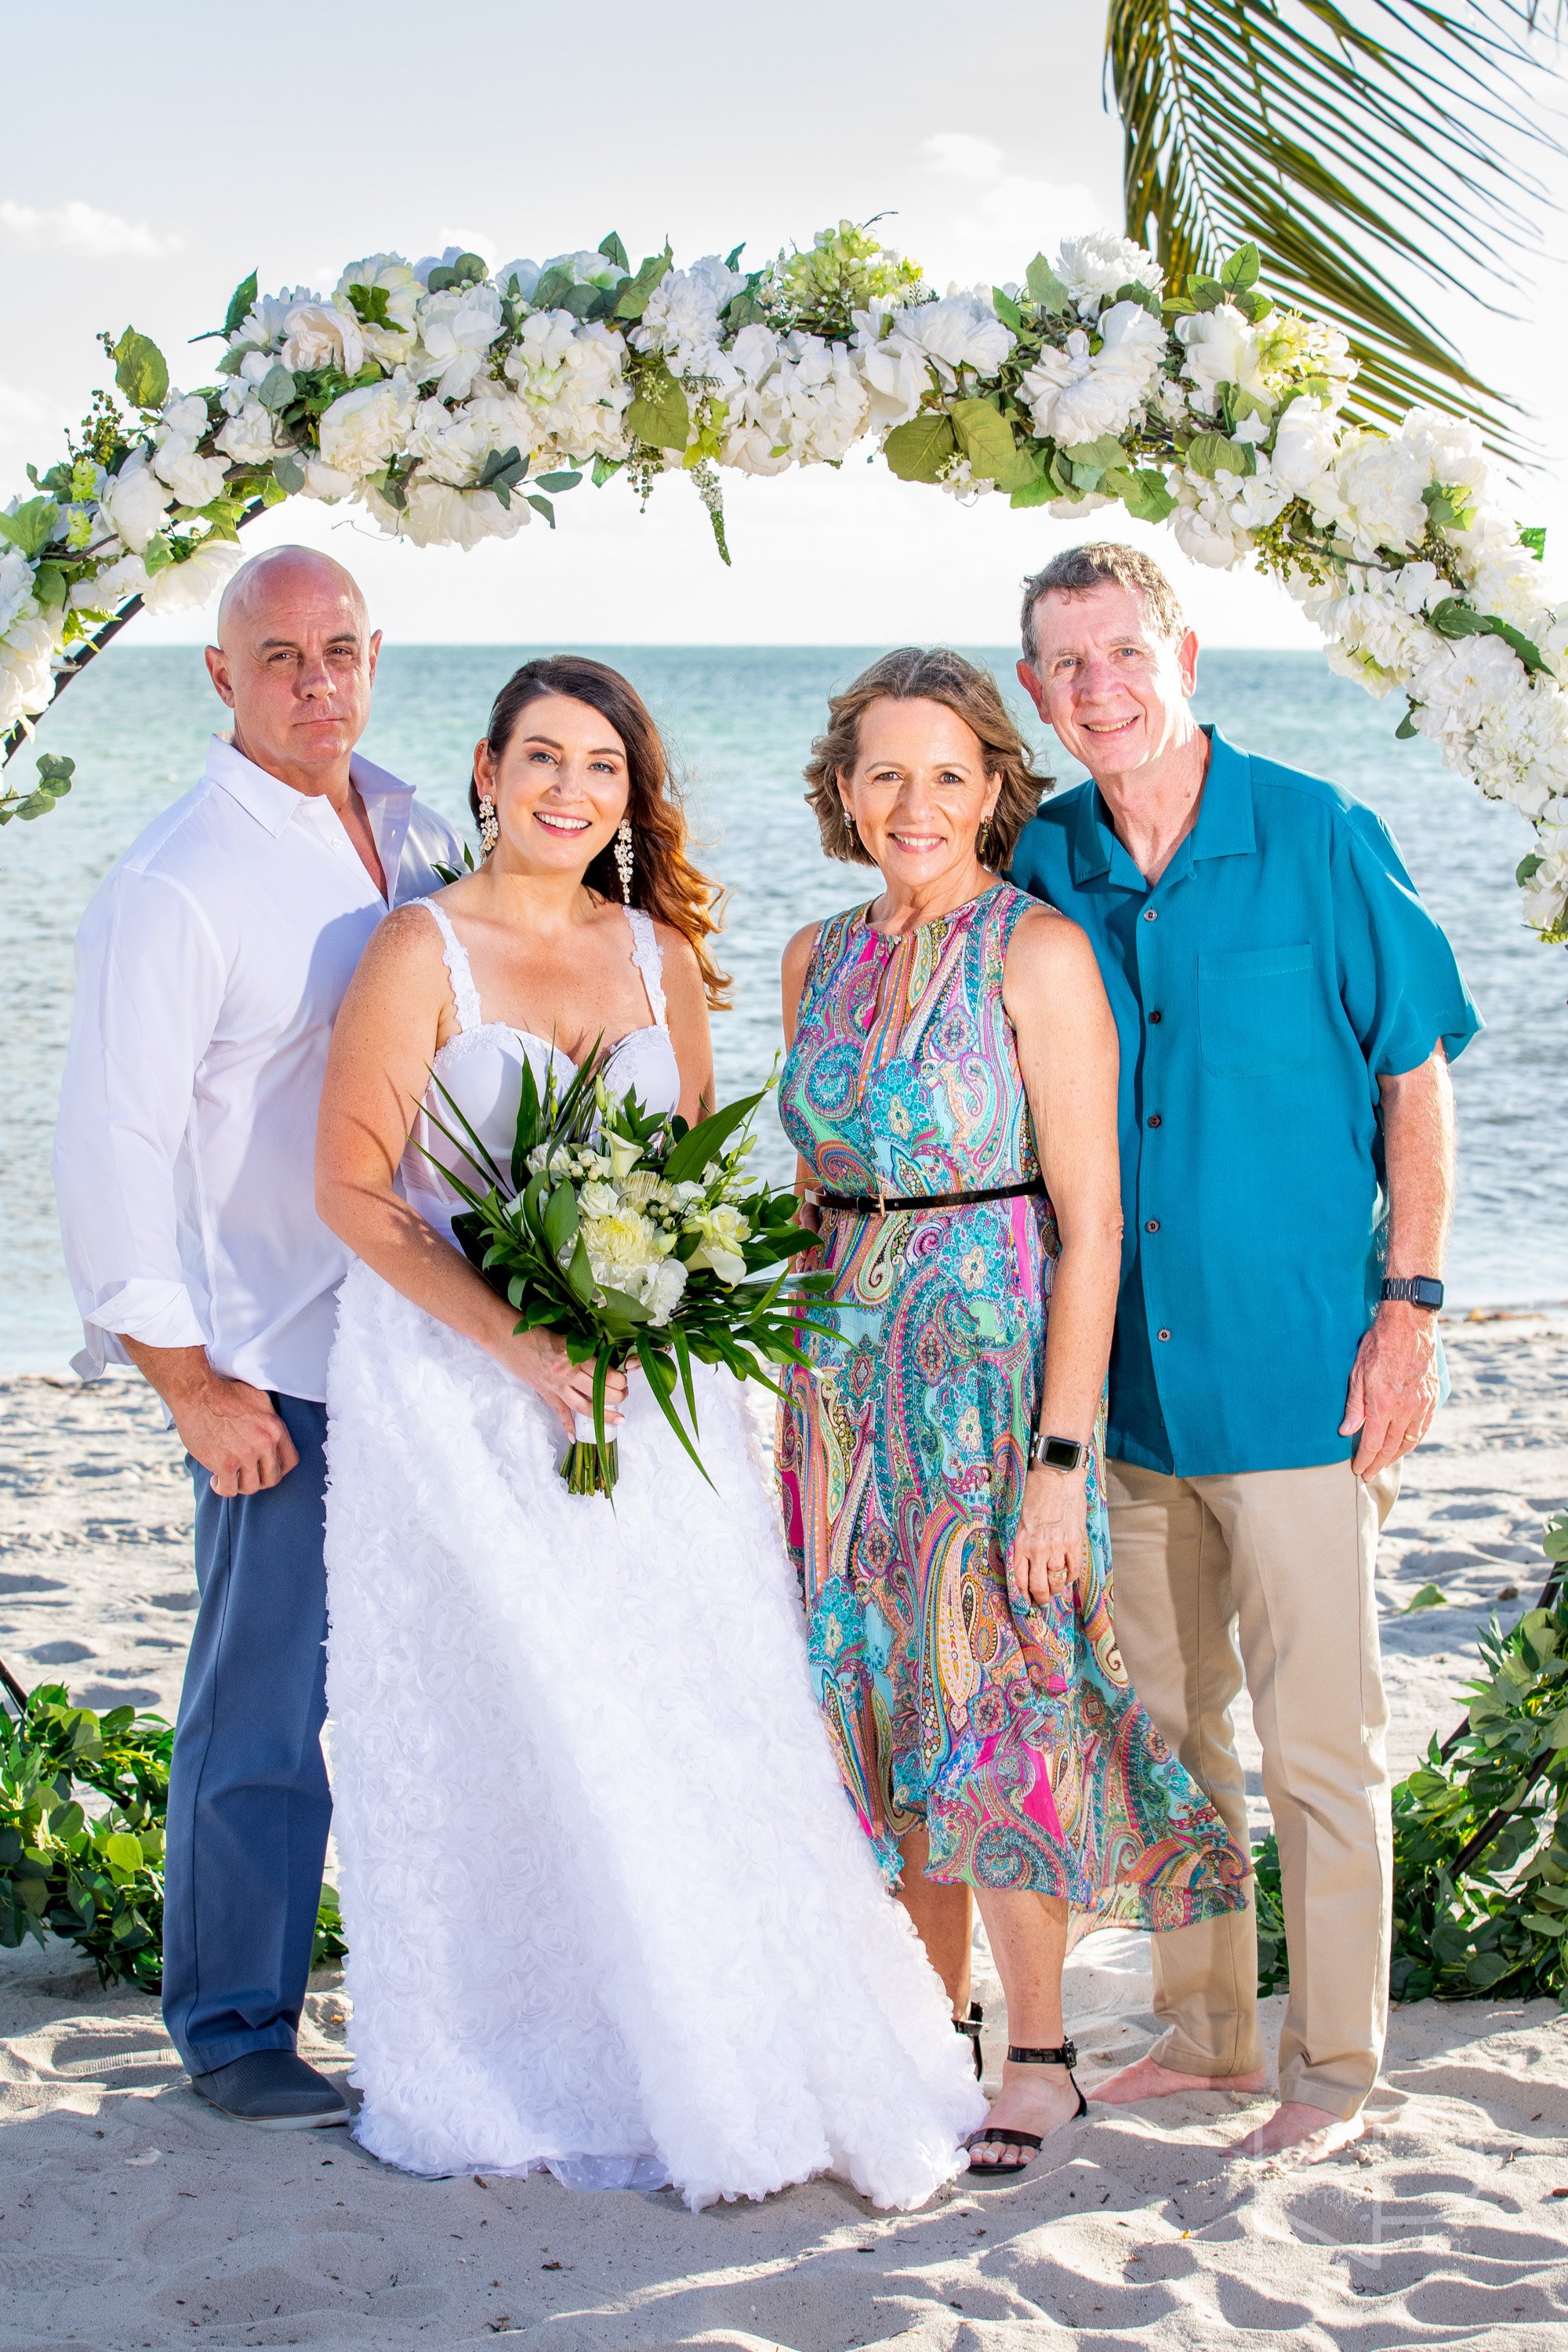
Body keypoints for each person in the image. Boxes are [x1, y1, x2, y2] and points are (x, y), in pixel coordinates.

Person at [313, 653, 985, 2209]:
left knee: (690, 1708)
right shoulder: (418, 950)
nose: (568, 789)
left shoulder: (655, 948)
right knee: (520, 1721)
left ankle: (721, 2039)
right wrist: (522, 1339)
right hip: (457, 1393)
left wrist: (654, 1319)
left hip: (644, 1388)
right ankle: (520, 2053)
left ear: (631, 795)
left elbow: (682, 1183)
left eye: (602, 768)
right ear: (484, 772)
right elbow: (350, 1186)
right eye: (540, 757)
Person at [1010, 542, 1482, 2159]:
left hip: (1297, 1382)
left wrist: (1408, 1309)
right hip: (1121, 1394)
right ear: (1032, 692)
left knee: (1319, 1749)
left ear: (1185, 653)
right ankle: (1207, 2030)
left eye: (1125, 653)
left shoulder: (1318, 835)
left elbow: (1415, 1080)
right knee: (1165, 1735)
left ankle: (1332, 2072)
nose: (1101, 690)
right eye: (1067, 667)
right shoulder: (1045, 857)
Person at [776, 647, 1247, 2181]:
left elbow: (1094, 1224)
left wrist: (1059, 1462)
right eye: (885, 774)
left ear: (994, 790)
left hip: (990, 1392)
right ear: (843, 790)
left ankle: (1040, 2053)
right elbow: (801, 1195)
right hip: (835, 1394)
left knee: (1002, 1712)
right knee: (879, 1715)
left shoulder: (1032, 952)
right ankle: (931, 2036)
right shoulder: (810, 959)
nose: (915, 803)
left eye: (947, 774)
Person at [53, 546, 462, 2129]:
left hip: (428, 1337)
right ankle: (234, 2028)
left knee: (429, 1689)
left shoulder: (421, 823)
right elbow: (108, 1149)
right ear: (219, 676)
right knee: (265, 1704)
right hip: (274, 1360)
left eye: (343, 649)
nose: (316, 682)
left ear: (377, 657)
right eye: (279, 656)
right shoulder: (173, 882)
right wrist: (188, 1383)